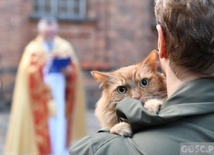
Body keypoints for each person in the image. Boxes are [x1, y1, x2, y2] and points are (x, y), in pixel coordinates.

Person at [69, 0, 214, 154]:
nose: (136, 95)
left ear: (161, 42)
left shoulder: (97, 149)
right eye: (123, 89)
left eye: (144, 82)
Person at [5, 17, 87, 155]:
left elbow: (74, 71)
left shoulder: (64, 47)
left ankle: (60, 151)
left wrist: (68, 71)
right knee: (44, 124)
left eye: (52, 32)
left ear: (56, 31)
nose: (49, 35)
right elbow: (26, 71)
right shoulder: (32, 48)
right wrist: (42, 64)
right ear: (40, 32)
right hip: (39, 97)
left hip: (60, 93)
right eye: (46, 32)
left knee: (60, 121)